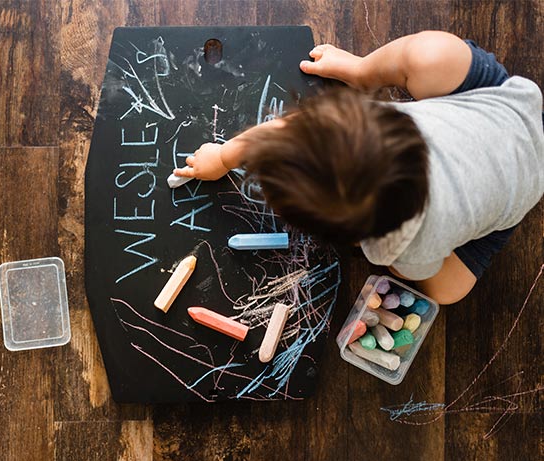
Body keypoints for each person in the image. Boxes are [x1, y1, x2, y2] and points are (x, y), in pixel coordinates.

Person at [174, 31, 544, 304]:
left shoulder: (401, 246)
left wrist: (225, 157)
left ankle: (366, 70)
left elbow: (408, 267)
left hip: (520, 190)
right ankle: (363, 70)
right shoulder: (370, 125)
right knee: (430, 57)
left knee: (446, 293)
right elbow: (288, 133)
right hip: (500, 105)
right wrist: (224, 156)